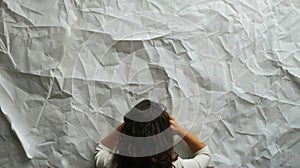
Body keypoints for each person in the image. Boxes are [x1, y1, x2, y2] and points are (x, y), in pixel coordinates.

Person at [95, 99, 211, 168]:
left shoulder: (114, 165)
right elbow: (205, 155)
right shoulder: (176, 166)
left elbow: (101, 149)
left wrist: (129, 124)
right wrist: (181, 132)